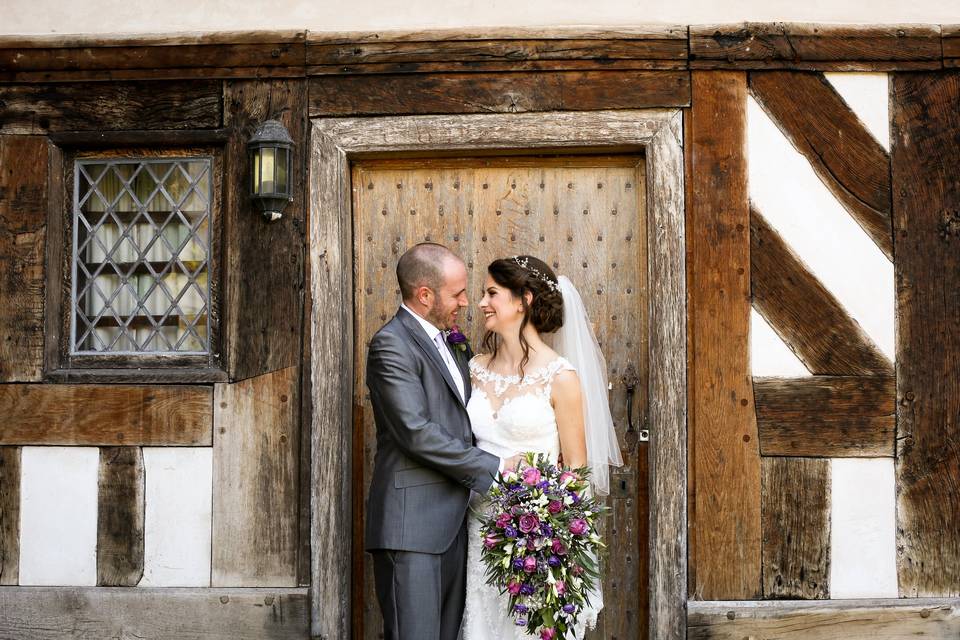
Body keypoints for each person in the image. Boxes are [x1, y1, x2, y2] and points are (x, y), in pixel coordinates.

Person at [364, 242, 521, 640]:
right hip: (411, 529)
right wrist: (495, 468)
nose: (466, 302)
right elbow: (414, 432)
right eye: (457, 293)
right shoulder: (391, 345)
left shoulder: (453, 342)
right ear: (425, 295)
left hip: (455, 526)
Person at [461, 255, 623, 640]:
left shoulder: (560, 377)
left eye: (492, 293)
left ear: (524, 300)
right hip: (475, 529)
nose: (482, 302)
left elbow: (577, 471)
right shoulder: (473, 369)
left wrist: (551, 542)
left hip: (534, 542)